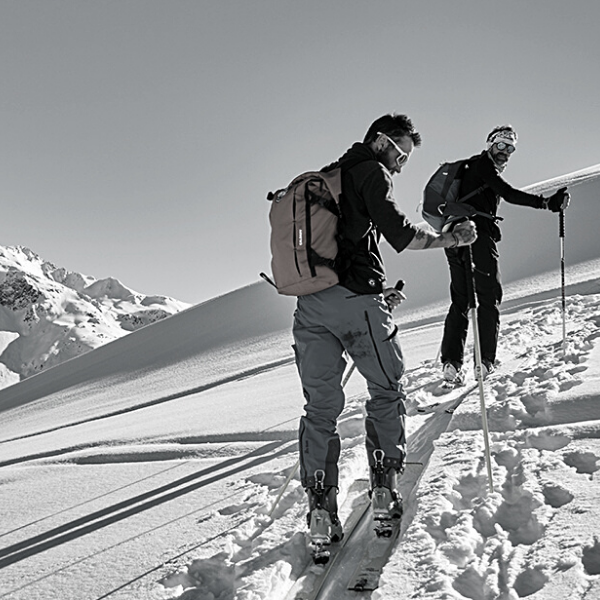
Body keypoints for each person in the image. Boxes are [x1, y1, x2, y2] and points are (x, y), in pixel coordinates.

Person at [292, 114, 477, 546]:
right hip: (357, 305)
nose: (401, 163)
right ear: (380, 142)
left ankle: (320, 512)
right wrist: (451, 239)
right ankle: (383, 489)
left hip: (310, 307)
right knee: (387, 390)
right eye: (400, 153)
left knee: (320, 409)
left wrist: (377, 292)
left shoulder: (329, 177)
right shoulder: (371, 172)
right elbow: (400, 233)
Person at [440, 125, 570, 385]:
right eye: (501, 145)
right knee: (489, 296)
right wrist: (545, 203)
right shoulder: (482, 165)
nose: (505, 152)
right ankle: (485, 362)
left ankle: (451, 365)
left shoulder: (470, 169)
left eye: (510, 148)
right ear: (490, 144)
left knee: (462, 298)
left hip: (453, 236)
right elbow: (507, 193)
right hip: (476, 235)